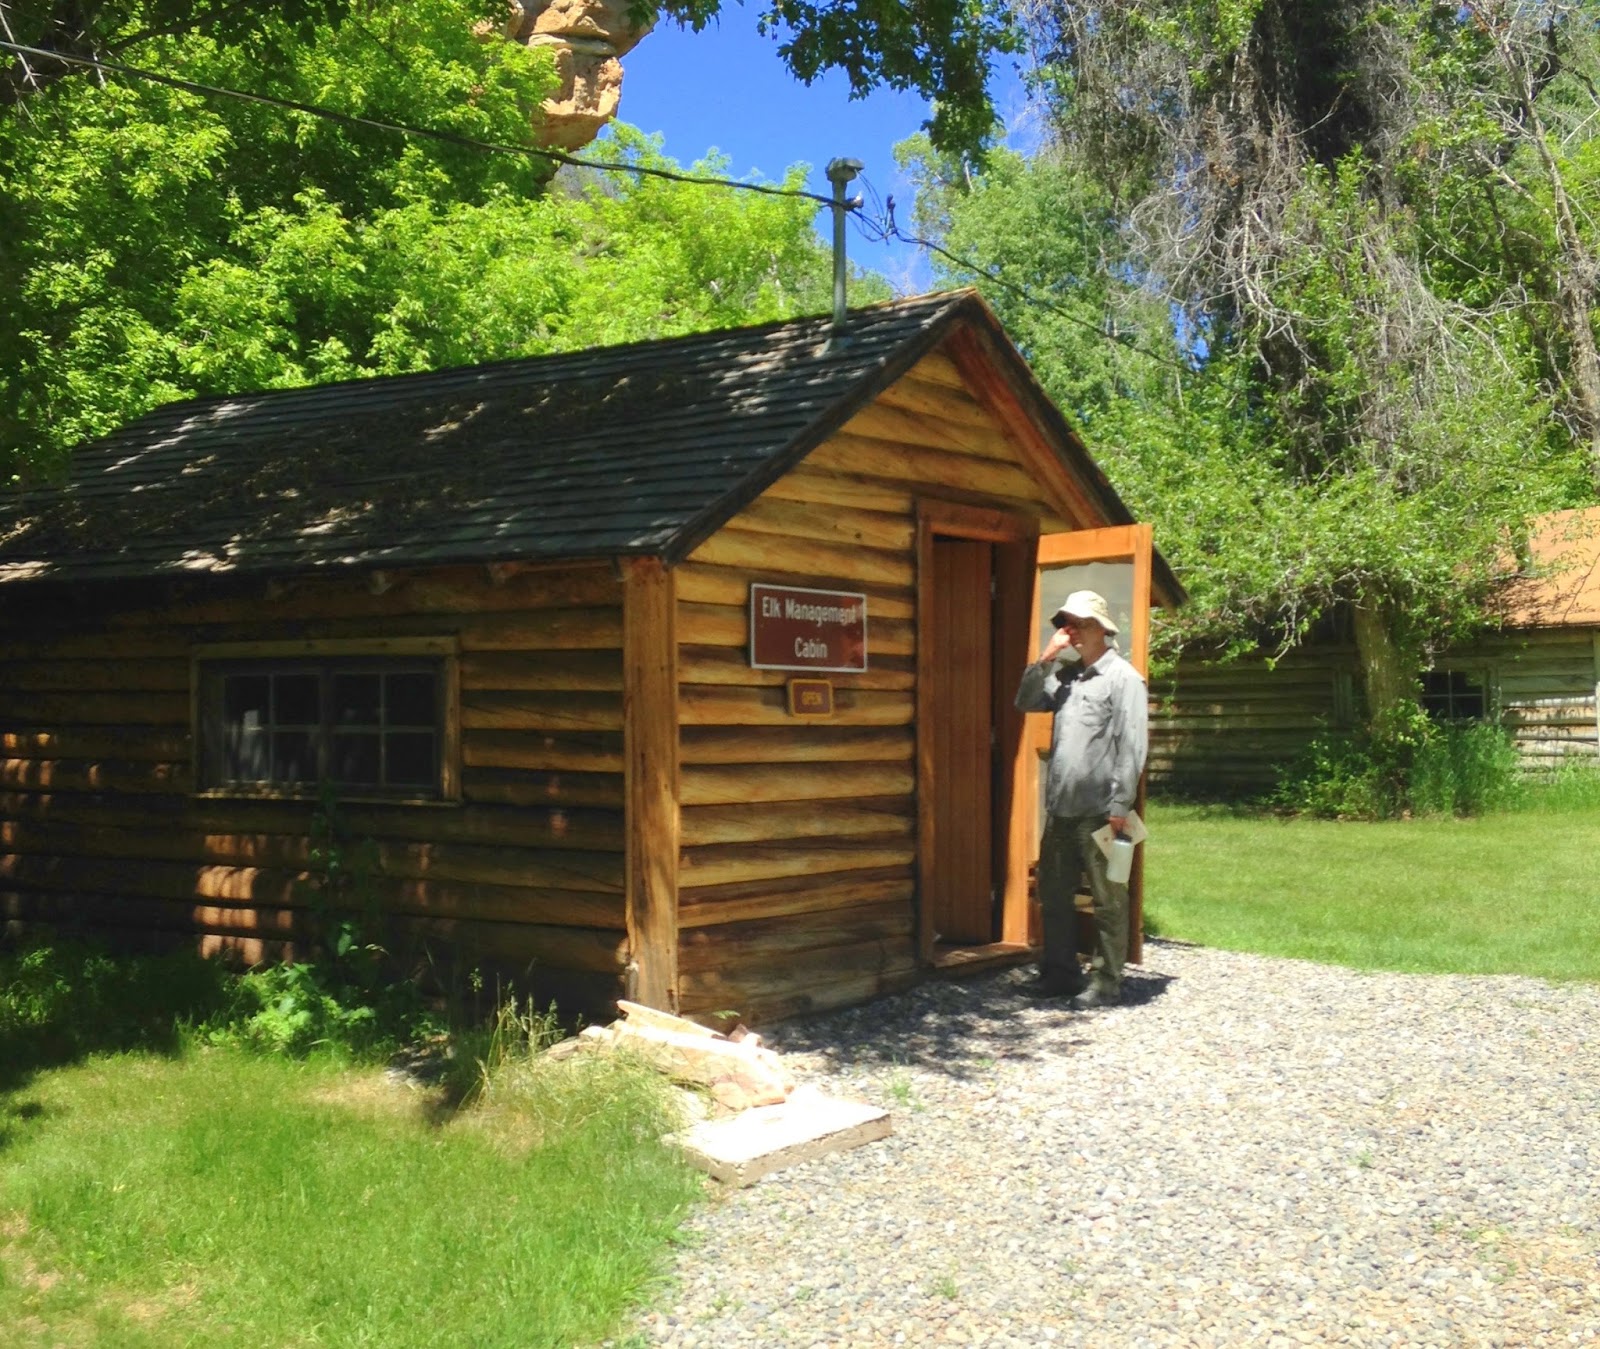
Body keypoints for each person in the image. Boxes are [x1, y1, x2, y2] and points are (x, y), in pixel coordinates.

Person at [1014, 589, 1148, 1008]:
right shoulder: (1067, 676)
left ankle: (1107, 979)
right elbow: (1026, 701)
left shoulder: (1124, 678)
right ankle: (1059, 974)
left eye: (1079, 623)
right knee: (1053, 895)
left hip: (1100, 812)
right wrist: (1045, 658)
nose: (1070, 631)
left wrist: (1120, 807)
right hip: (1061, 810)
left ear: (1101, 629)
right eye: (1066, 623)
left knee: (1108, 898)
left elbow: (1132, 746)